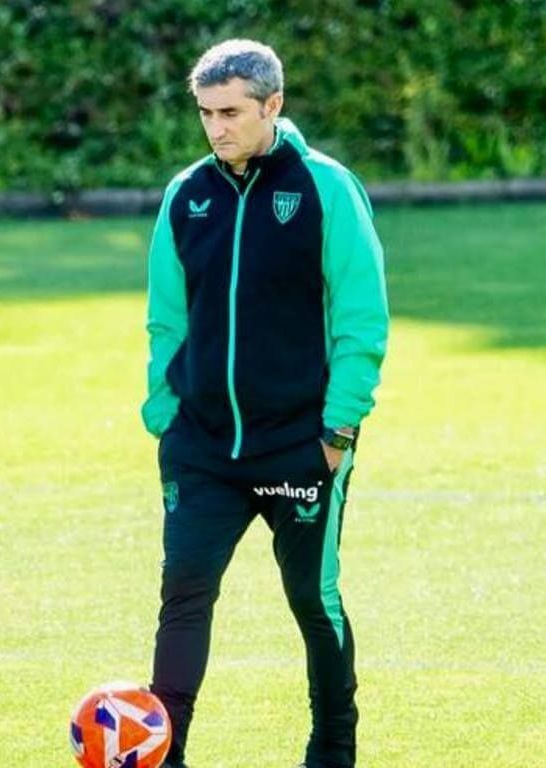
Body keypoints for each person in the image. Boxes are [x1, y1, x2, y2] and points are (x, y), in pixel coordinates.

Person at [141, 39, 388, 768]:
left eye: (231, 112)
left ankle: (333, 751)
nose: (217, 128)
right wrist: (165, 411)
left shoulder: (326, 189)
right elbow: (167, 314)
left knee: (314, 603)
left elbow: (361, 317)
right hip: (204, 447)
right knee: (184, 593)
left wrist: (338, 429)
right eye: (205, 113)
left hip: (299, 446)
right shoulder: (187, 194)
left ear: (272, 106)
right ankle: (162, 752)